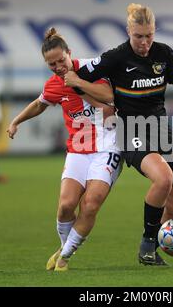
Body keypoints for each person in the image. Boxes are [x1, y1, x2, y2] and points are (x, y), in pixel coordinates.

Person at [65, 3, 173, 265]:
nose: (145, 42)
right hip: (130, 129)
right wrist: (101, 102)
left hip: (161, 129)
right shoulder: (115, 57)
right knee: (163, 178)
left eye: (149, 35)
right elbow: (75, 77)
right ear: (128, 31)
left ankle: (153, 250)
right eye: (139, 36)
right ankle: (147, 246)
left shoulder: (163, 53)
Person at [7, 27, 121, 271]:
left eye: (61, 60)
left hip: (108, 147)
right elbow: (40, 104)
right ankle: (64, 246)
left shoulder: (91, 69)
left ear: (70, 53)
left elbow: (109, 96)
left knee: (90, 204)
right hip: (78, 149)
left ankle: (65, 257)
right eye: (52, 64)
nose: (58, 66)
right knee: (66, 205)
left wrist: (78, 82)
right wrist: (16, 121)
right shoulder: (54, 84)